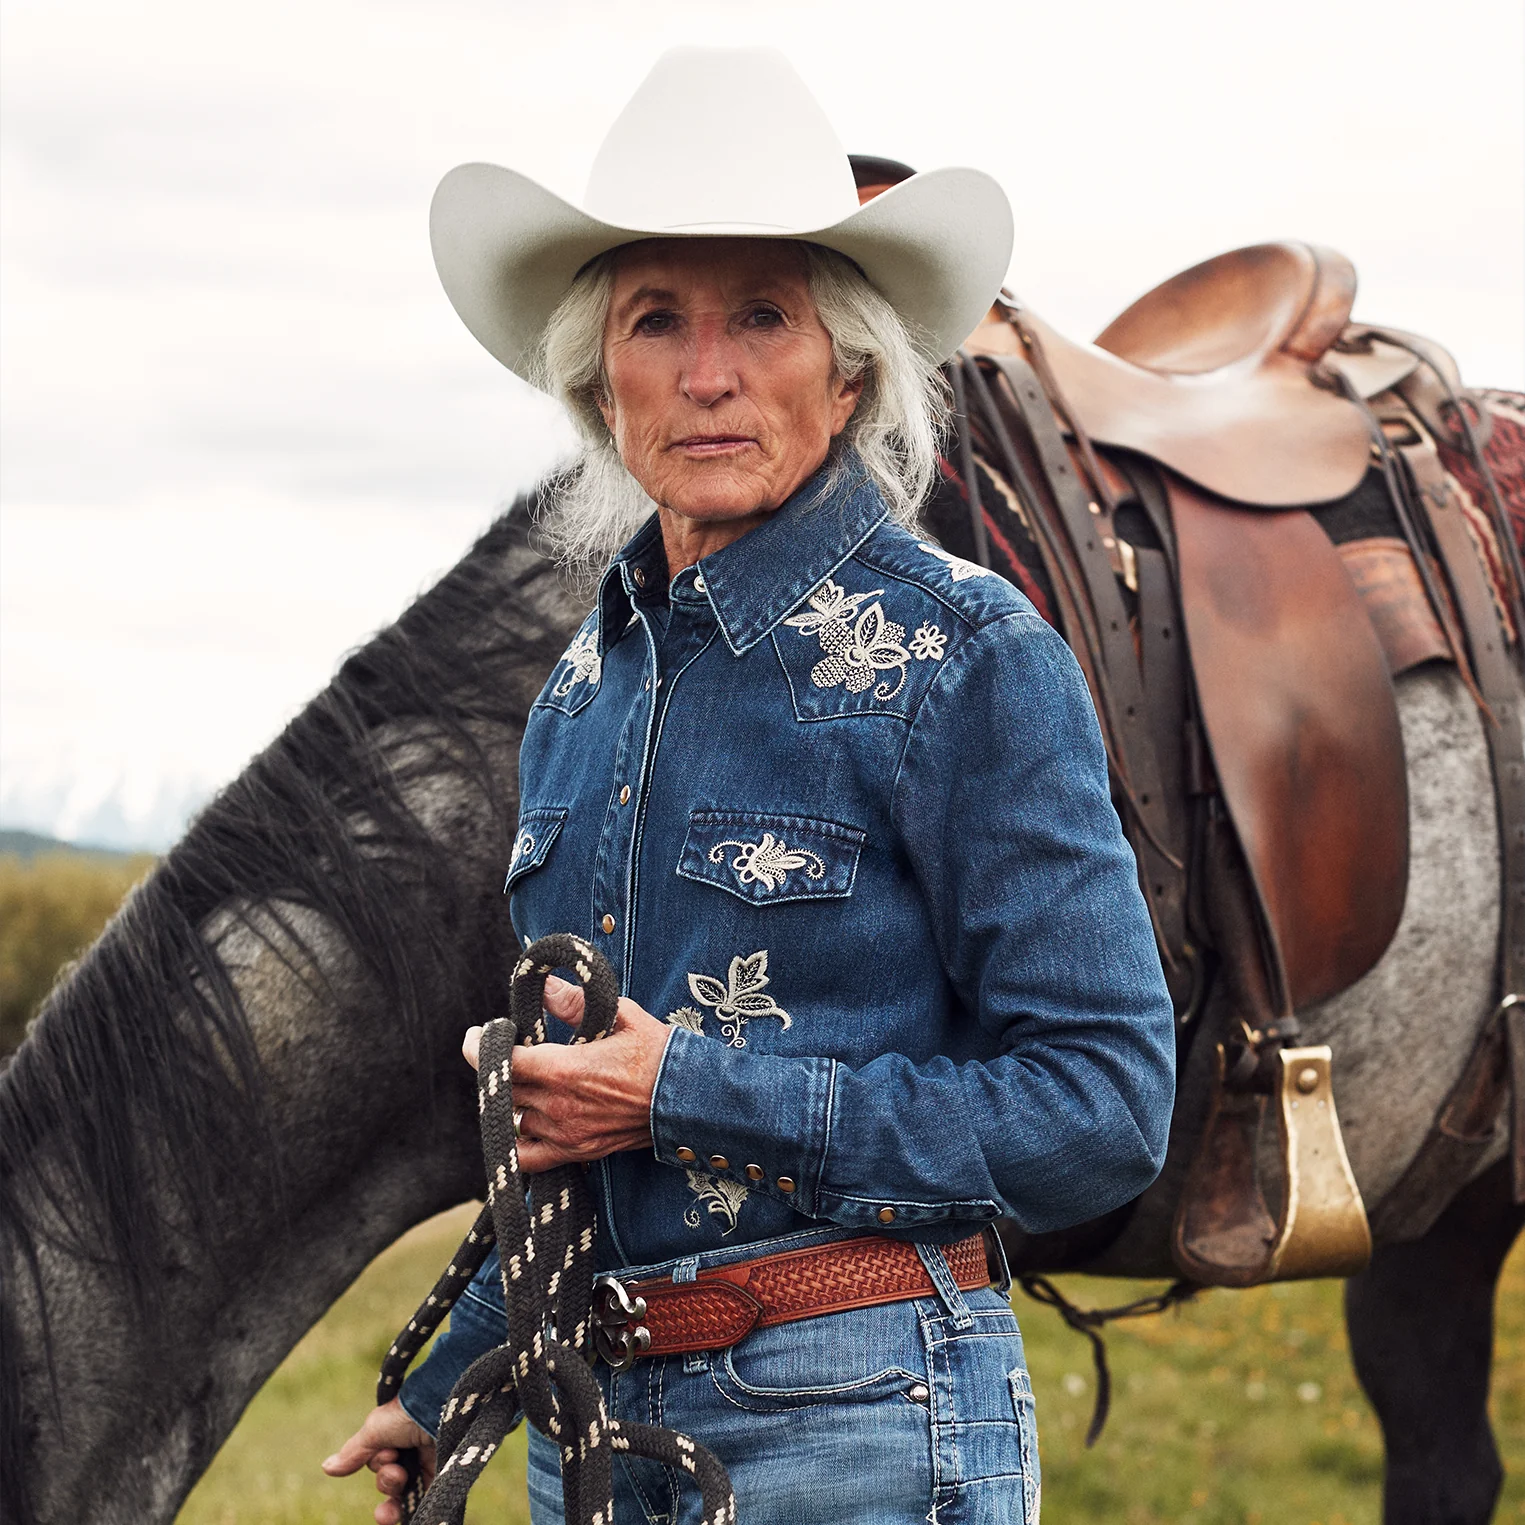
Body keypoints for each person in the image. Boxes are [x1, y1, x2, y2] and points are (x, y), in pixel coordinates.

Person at [323, 45, 1174, 1525]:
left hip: (863, 1422)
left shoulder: (965, 659)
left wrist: (691, 1095)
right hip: (591, 1428)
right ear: (599, 381)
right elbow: (581, 1117)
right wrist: (459, 1372)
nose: (707, 375)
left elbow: (1102, 1107)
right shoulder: (582, 690)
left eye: (764, 316)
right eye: (657, 319)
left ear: (850, 376)